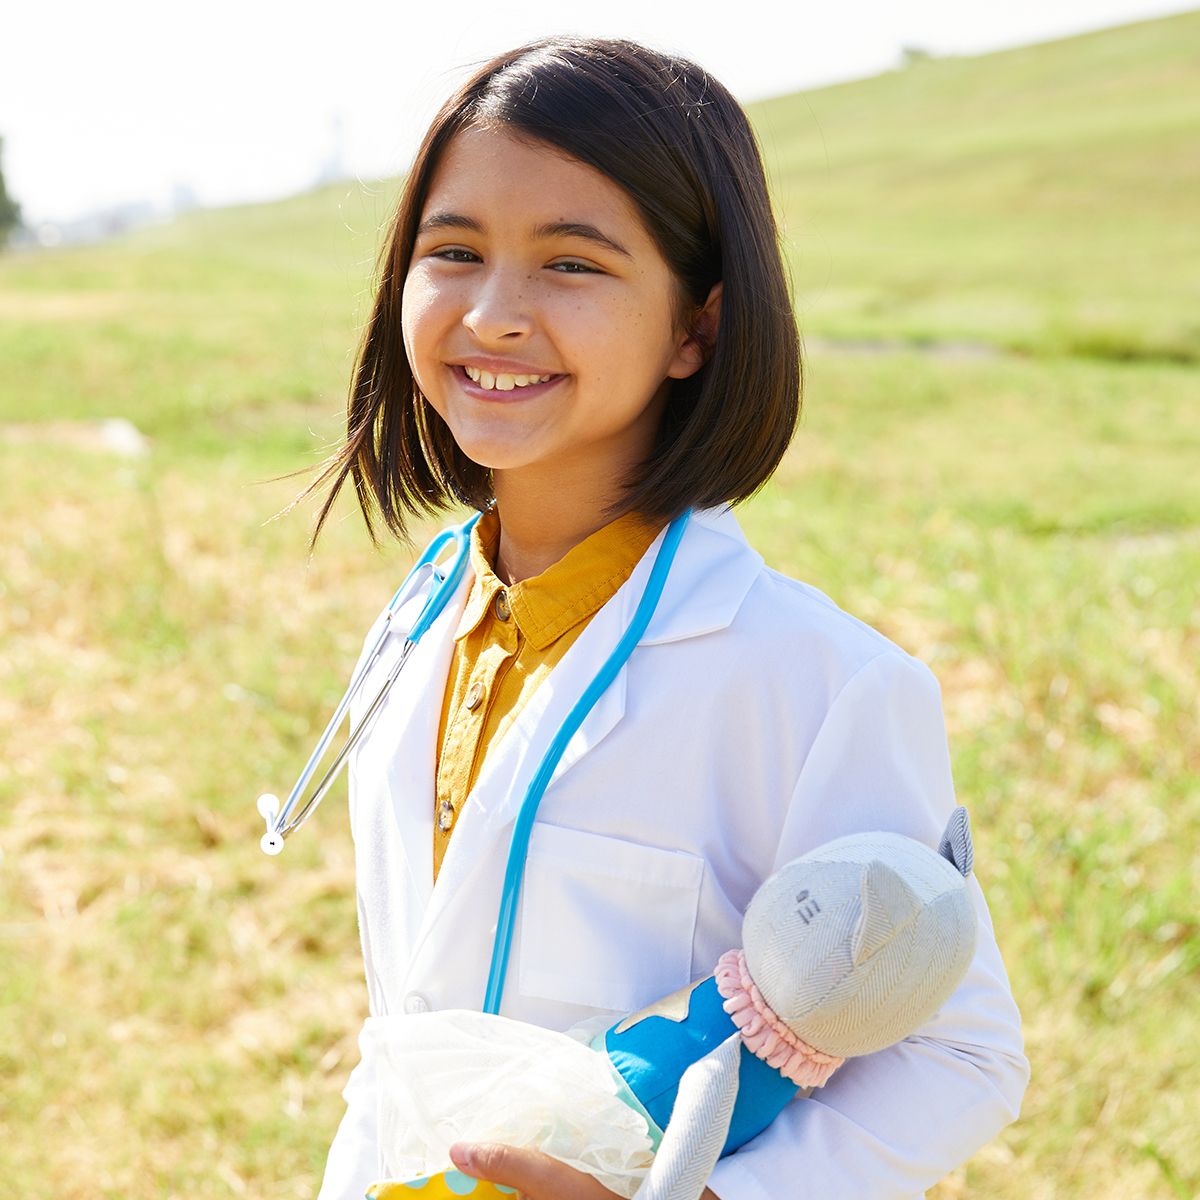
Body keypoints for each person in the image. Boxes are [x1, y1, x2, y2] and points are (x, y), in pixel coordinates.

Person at [295, 35, 1029, 1200]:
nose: (493, 313)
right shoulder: (420, 622)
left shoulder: (817, 679)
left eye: (571, 265)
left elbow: (961, 1055)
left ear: (696, 326)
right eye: (454, 251)